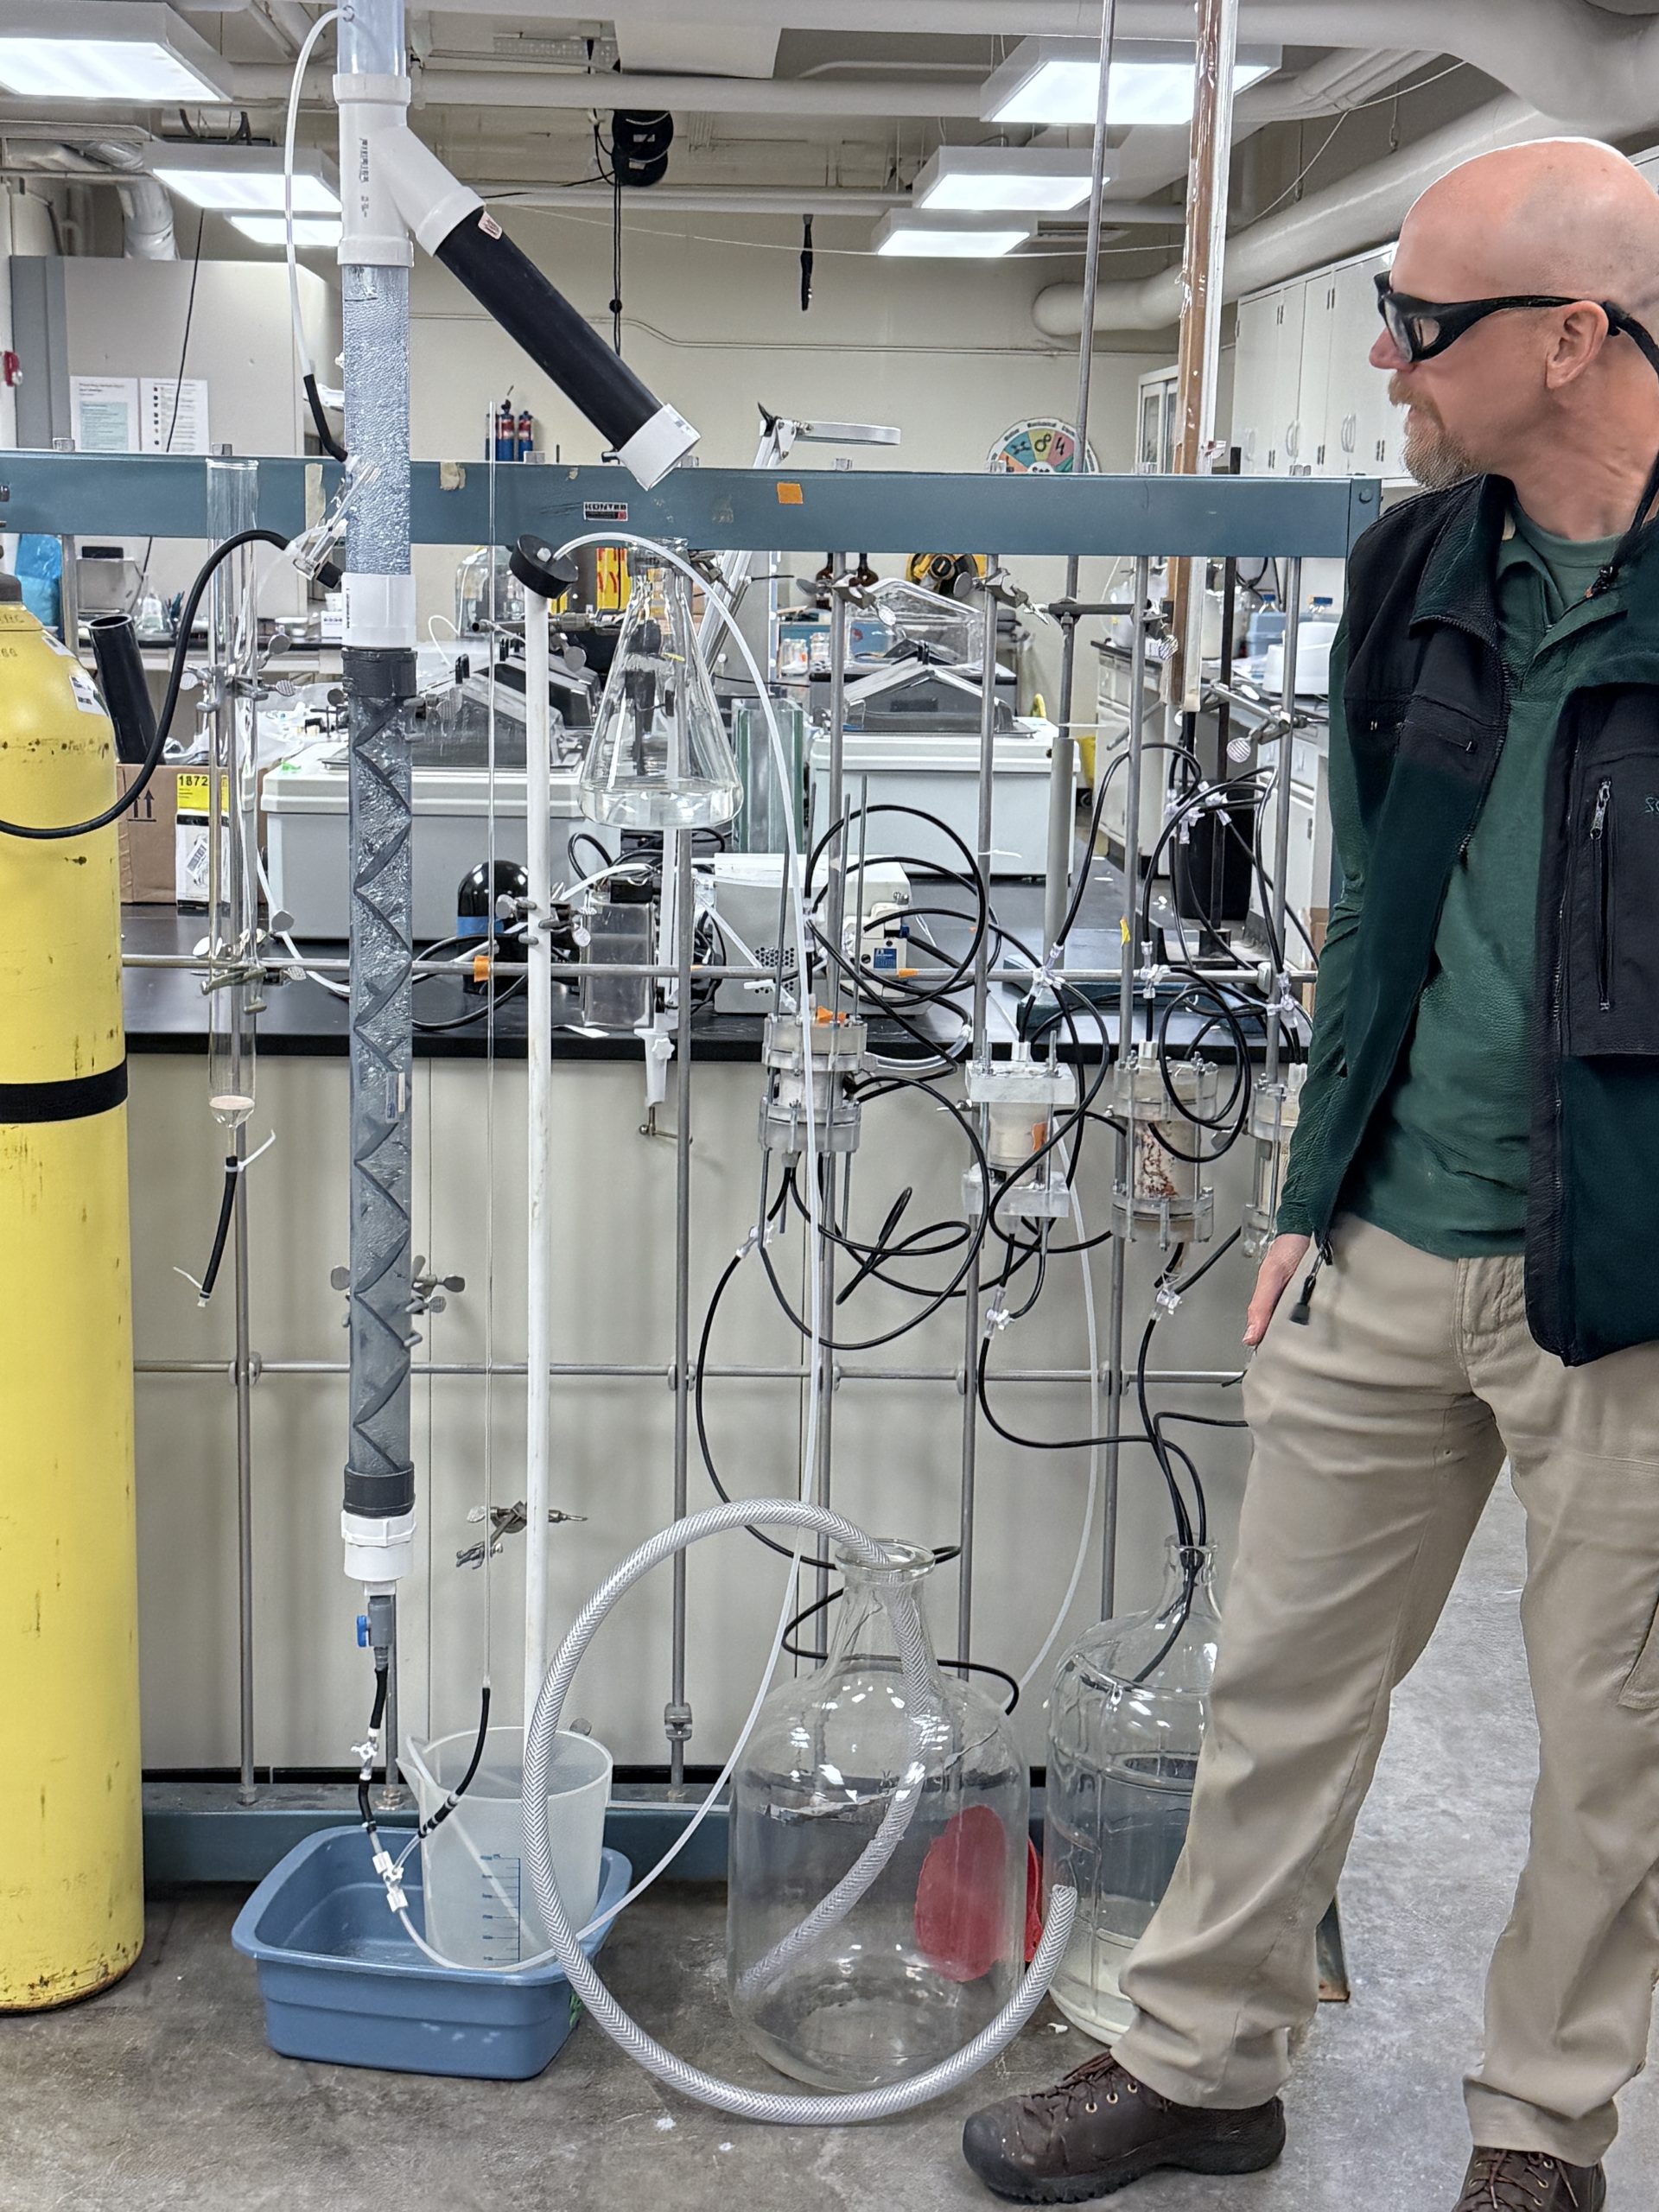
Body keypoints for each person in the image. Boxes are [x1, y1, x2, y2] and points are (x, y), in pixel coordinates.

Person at [963, 137, 1659, 2212]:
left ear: (1571, 336)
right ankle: (1203, 2057)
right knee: (1277, 1682)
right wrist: (1301, 1187)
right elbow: (1373, 907)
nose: (1385, 362)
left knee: (1609, 1740)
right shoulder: (1411, 567)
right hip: (1388, 1225)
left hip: (1621, 1267)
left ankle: (1540, 2123)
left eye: (1420, 328)